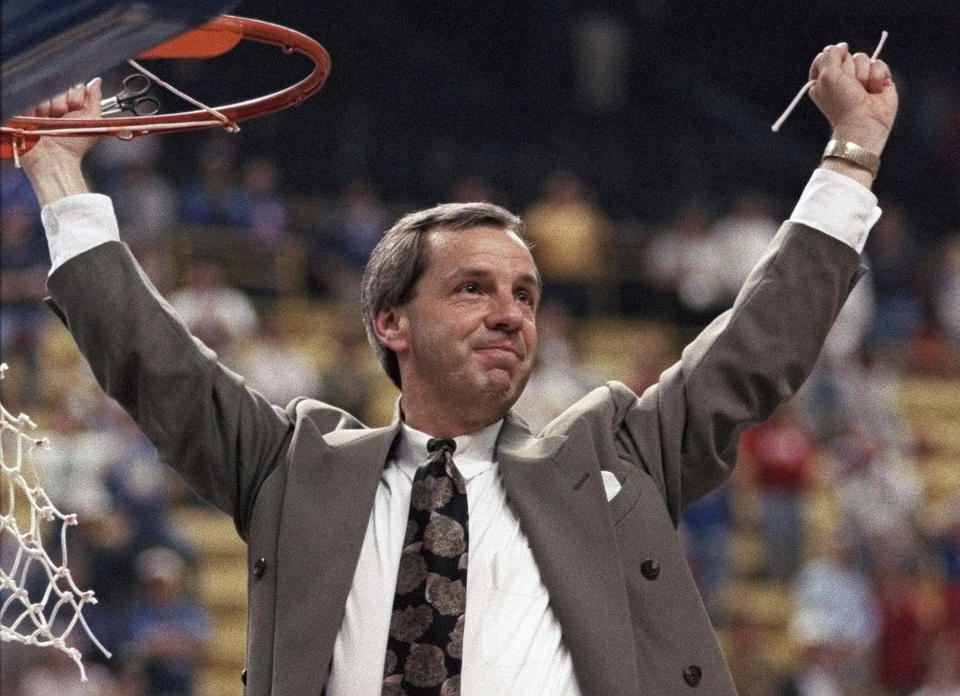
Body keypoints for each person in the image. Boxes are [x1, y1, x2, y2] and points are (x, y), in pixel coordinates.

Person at [18, 41, 897, 696]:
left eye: (524, 291)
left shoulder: (610, 451)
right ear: (390, 322)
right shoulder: (295, 465)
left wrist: (852, 152)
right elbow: (154, 365)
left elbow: (757, 348)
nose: (510, 310)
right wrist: (58, 174)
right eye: (472, 287)